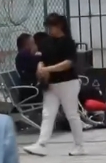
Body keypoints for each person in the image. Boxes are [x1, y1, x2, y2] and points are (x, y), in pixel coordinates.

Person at [23, 13, 87, 156]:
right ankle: (41, 144)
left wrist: (48, 69)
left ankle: (79, 145)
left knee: (72, 114)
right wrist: (40, 67)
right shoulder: (46, 42)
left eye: (52, 26)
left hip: (68, 83)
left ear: (60, 26)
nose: (50, 29)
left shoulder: (68, 42)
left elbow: (68, 63)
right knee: (47, 114)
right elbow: (42, 59)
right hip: (51, 84)